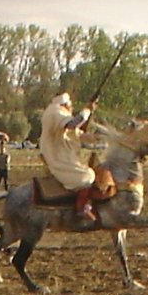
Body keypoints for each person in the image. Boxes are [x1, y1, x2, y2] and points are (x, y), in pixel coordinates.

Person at [39, 92, 99, 220]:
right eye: (70, 104)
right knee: (87, 176)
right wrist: (87, 110)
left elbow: (78, 133)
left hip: (64, 157)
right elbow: (72, 124)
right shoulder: (54, 112)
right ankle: (82, 208)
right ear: (64, 104)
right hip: (58, 159)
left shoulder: (60, 114)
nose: (72, 107)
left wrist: (100, 137)